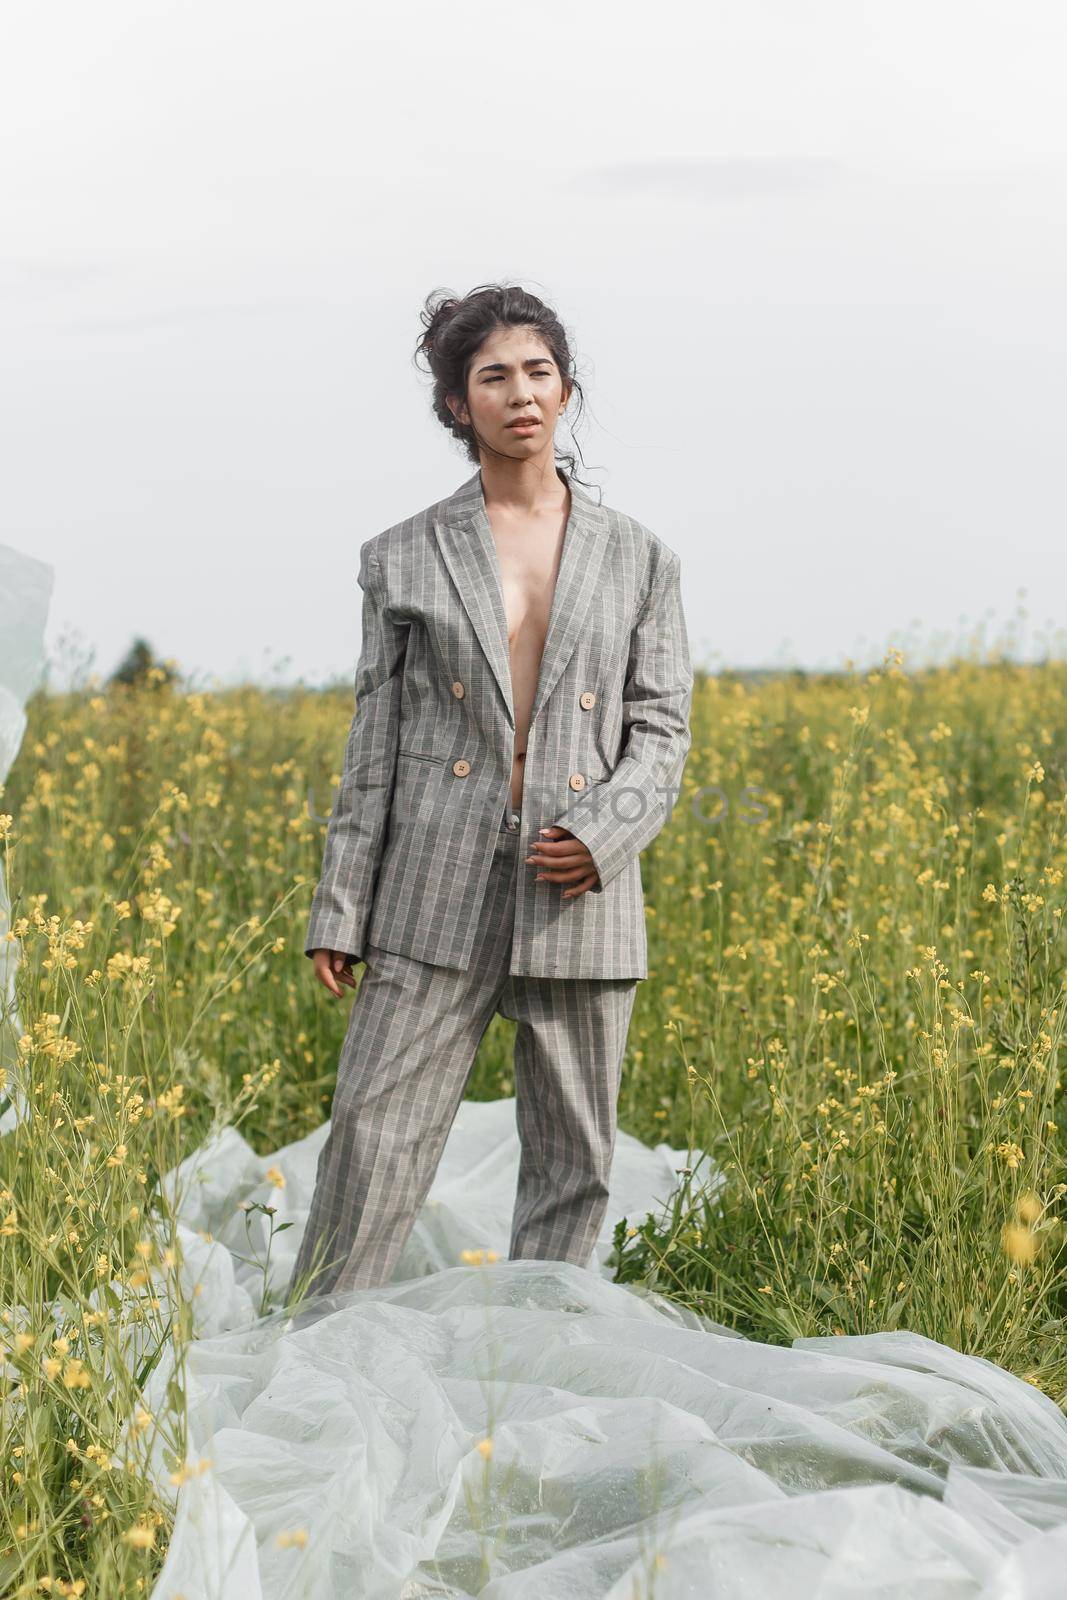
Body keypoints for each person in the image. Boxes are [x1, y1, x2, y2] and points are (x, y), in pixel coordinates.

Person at [286, 282, 692, 1301]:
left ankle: (535, 1365)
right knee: (371, 1141)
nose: (520, 393)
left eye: (538, 371)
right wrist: (341, 902)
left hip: (576, 887)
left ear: (565, 390)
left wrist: (604, 833)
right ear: (457, 406)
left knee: (573, 1164)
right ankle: (318, 1361)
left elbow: (661, 728)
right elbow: (373, 739)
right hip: (430, 879)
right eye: (492, 376)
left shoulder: (642, 559)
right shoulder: (402, 556)